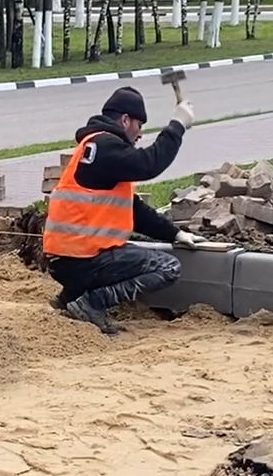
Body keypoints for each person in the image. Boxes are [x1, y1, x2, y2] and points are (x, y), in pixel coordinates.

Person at [42, 85, 213, 335]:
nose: (140, 134)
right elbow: (149, 164)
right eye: (139, 126)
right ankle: (91, 304)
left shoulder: (95, 148)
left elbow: (134, 211)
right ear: (125, 120)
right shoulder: (106, 147)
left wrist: (175, 235)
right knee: (168, 267)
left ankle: (70, 299)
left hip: (65, 260)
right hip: (83, 260)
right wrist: (177, 125)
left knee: (123, 254)